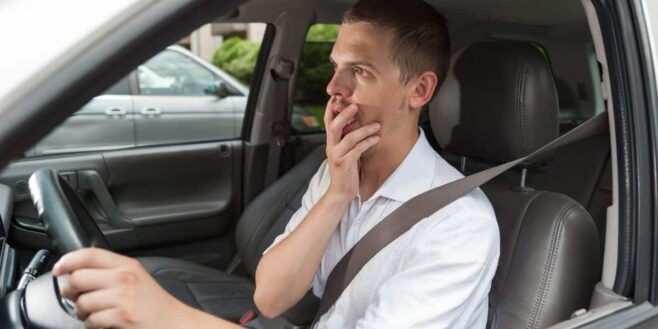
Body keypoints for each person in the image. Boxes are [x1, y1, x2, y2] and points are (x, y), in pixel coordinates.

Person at [52, 0, 500, 328]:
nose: (333, 88)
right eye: (335, 66)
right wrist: (337, 194)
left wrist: (168, 316)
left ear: (419, 92)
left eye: (360, 71)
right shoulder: (339, 170)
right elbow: (270, 298)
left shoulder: (459, 224)